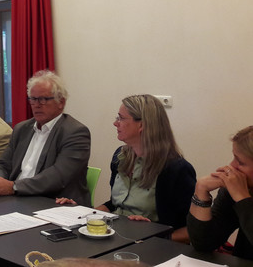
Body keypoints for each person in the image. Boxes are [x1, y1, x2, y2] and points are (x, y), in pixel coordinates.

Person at [57, 94, 196, 243]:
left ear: (142, 125)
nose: (115, 123)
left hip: (149, 247)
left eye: (121, 118)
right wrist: (81, 213)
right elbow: (115, 205)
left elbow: (192, 231)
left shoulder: (176, 170)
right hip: (116, 237)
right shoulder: (120, 156)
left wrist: (152, 237)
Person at [0, 70, 91, 206]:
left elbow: (57, 177)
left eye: (44, 99)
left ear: (61, 103)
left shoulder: (75, 132)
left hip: (54, 203)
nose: (37, 105)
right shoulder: (22, 129)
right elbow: (3, 164)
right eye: (33, 99)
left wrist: (13, 187)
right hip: (16, 199)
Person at [188, 125, 253, 259]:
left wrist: (242, 199)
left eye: (240, 162)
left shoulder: (239, 192)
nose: (232, 166)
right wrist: (201, 190)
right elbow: (204, 243)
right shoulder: (236, 188)